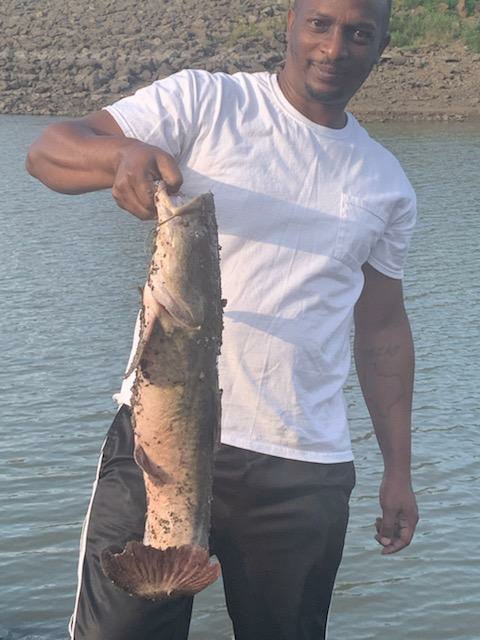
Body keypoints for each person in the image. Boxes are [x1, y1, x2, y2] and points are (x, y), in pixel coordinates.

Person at [26, 0, 419, 638]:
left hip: (301, 465)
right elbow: (48, 153)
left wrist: (398, 469)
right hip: (156, 446)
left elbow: (382, 333)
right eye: (320, 23)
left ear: (382, 46)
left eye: (359, 33)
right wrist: (120, 157)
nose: (334, 47)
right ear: (289, 23)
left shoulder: (386, 182)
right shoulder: (206, 102)